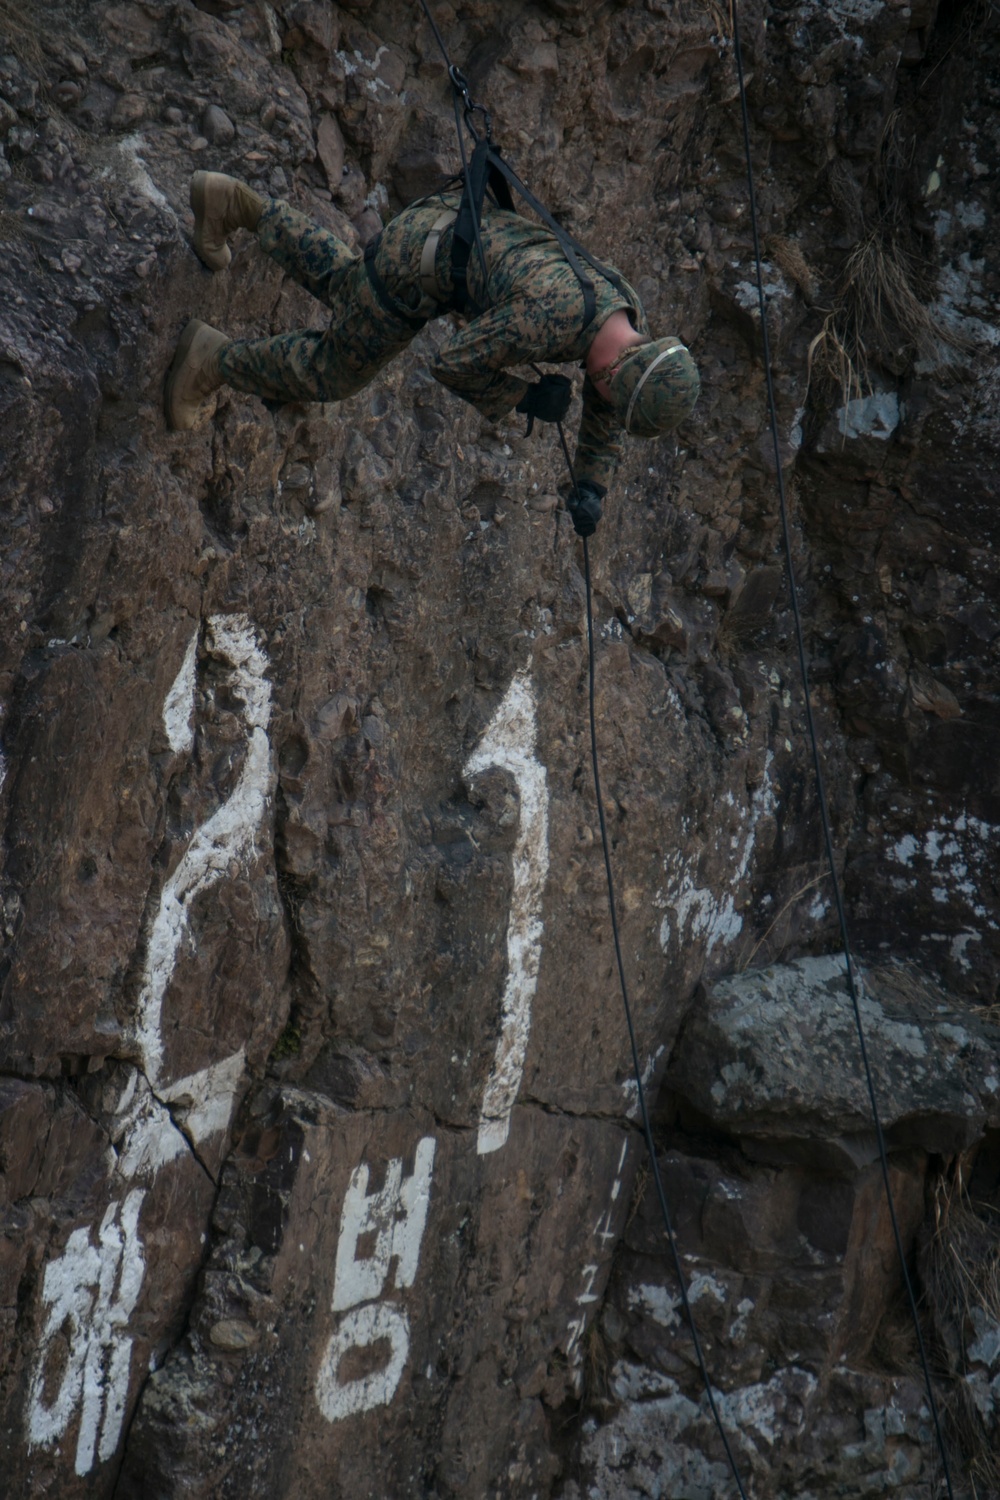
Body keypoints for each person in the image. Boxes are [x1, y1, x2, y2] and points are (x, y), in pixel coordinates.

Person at [166, 172, 700, 536]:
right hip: (419, 262)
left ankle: (231, 202)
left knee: (349, 286)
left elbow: (611, 401)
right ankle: (212, 360)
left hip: (449, 227)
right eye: (609, 394)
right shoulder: (550, 318)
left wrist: (590, 486)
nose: (603, 401)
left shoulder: (626, 321)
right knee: (333, 370)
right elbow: (453, 361)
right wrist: (525, 397)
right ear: (618, 370)